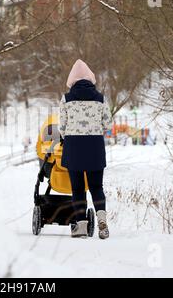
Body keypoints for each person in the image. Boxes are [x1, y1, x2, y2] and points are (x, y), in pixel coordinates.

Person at [58, 59, 112, 239]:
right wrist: (96, 132)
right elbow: (107, 123)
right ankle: (102, 219)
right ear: (91, 78)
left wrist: (69, 136)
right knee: (96, 186)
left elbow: (62, 126)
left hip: (73, 146)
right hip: (94, 146)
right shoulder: (101, 98)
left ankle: (81, 226)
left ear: (71, 80)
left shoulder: (66, 99)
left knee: (78, 188)